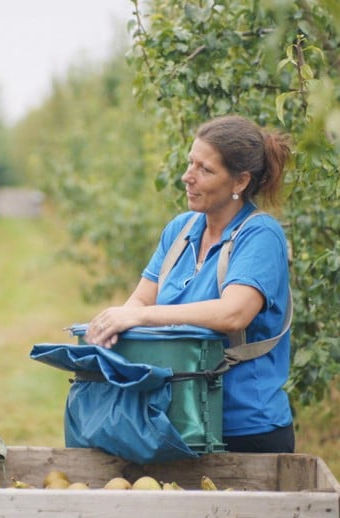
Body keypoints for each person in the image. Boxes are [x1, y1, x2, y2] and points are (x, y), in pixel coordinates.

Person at [84, 114, 294, 453]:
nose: (187, 177)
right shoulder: (181, 231)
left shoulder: (260, 235)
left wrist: (142, 318)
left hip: (243, 429)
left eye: (205, 170)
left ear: (239, 182)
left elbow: (233, 314)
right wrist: (118, 323)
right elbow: (139, 301)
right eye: (190, 163)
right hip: (176, 421)